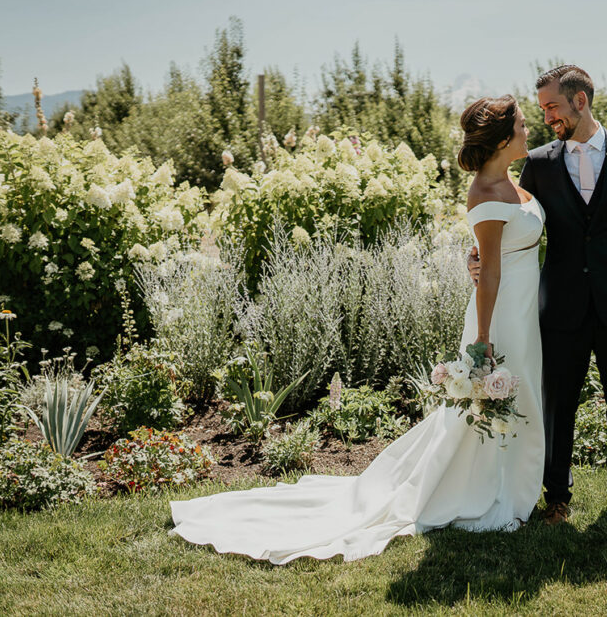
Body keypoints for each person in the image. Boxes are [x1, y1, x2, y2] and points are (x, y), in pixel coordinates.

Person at [169, 95, 546, 564]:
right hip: (500, 313)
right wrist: (483, 337)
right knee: (496, 400)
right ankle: (491, 495)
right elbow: (488, 272)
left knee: (522, 394)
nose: (530, 131)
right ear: (503, 139)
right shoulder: (485, 195)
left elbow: (503, 253)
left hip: (525, 310)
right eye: (524, 125)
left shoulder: (515, 182)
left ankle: (513, 487)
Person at [469, 65, 607, 531]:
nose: (547, 117)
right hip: (559, 308)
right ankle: (556, 498)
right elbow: (509, 218)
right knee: (558, 406)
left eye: (553, 106)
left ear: (580, 102)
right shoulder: (538, 163)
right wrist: (474, 256)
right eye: (540, 110)